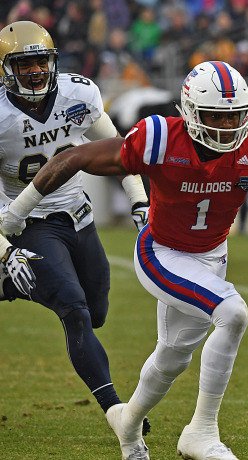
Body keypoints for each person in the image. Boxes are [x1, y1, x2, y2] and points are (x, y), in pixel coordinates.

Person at [1, 60, 248, 460]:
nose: (226, 129)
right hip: (162, 253)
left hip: (212, 255)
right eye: (215, 117)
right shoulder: (159, 137)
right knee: (233, 313)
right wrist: (17, 212)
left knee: (173, 356)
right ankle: (202, 432)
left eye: (234, 118)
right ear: (191, 112)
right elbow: (72, 159)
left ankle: (128, 422)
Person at [0, 20, 151, 435]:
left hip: (78, 216)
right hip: (26, 221)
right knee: (74, 310)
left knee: (97, 310)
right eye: (24, 63)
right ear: (6, 69)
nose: (35, 70)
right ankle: (117, 411)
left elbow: (121, 149)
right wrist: (6, 249)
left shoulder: (79, 94)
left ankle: (10, 284)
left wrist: (139, 200)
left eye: (41, 60)